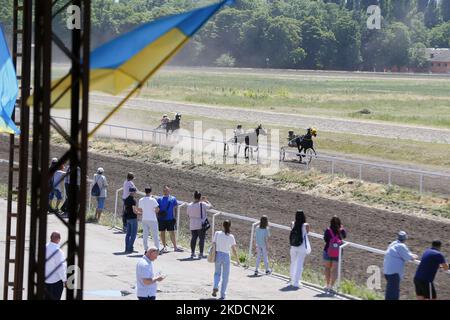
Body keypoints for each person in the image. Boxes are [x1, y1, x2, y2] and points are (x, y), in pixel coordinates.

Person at [383, 231, 418, 300]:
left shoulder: (393, 243)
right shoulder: (401, 246)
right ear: (405, 239)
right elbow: (409, 257)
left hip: (387, 271)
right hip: (394, 273)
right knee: (394, 293)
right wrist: (415, 256)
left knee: (390, 291)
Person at [212, 220, 240, 300]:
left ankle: (215, 286)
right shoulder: (231, 237)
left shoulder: (217, 233)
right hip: (226, 256)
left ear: (222, 225)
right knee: (225, 276)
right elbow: (234, 249)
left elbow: (213, 244)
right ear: (230, 226)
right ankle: (222, 294)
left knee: (217, 273)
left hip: (218, 254)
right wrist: (237, 260)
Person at [323, 216, 346, 294]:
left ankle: (327, 285)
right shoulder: (341, 230)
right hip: (338, 252)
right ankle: (331, 287)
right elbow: (344, 236)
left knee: (327, 268)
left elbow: (325, 239)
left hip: (327, 251)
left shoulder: (328, 230)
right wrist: (342, 229)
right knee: (335, 269)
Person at [157, 185, 183, 253]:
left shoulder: (173, 199)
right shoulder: (159, 199)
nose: (166, 191)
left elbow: (175, 208)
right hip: (162, 219)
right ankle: (164, 246)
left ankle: (175, 247)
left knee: (172, 233)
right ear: (163, 191)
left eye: (167, 190)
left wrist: (175, 217)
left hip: (170, 219)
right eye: (164, 190)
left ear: (169, 190)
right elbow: (157, 209)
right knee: (162, 233)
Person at [187, 191, 212, 259]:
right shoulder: (203, 204)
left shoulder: (189, 205)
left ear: (194, 196)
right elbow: (210, 207)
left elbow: (188, 215)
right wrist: (206, 200)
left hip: (192, 223)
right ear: (200, 197)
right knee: (201, 239)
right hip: (200, 224)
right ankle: (201, 253)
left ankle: (192, 253)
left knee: (193, 238)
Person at [289, 211, 311, 288]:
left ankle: (292, 279)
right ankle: (296, 281)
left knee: (293, 262)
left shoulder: (292, 223)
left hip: (293, 246)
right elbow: (307, 233)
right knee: (299, 264)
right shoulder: (306, 225)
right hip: (301, 247)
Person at [45, 231, 67, 300]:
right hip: (56, 281)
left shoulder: (44, 247)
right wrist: (65, 280)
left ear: (51, 238)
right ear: (58, 239)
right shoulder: (58, 251)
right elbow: (60, 267)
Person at [138, 187, 160, 254]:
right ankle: (157, 249)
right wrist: (153, 210)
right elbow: (157, 210)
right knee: (155, 235)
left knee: (145, 235)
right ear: (150, 192)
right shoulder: (153, 200)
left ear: (145, 192)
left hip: (144, 218)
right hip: (152, 219)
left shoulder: (141, 200)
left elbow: (140, 210)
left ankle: (146, 249)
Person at [124, 187, 139, 253]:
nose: (136, 193)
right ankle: (130, 248)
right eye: (135, 191)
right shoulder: (133, 200)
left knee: (128, 234)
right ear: (133, 192)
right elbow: (134, 211)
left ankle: (127, 248)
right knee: (133, 234)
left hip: (128, 218)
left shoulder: (126, 199)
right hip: (133, 218)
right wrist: (141, 213)